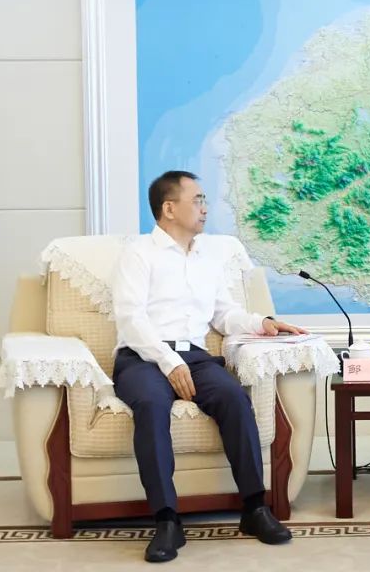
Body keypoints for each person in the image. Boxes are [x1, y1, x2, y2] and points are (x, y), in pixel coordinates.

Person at [112, 170, 306, 562]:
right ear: (169, 208)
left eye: (204, 200)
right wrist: (168, 362)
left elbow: (223, 314)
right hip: (143, 357)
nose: (205, 207)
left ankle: (254, 508)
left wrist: (262, 323)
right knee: (151, 405)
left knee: (234, 397)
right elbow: (131, 320)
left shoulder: (207, 259)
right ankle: (167, 520)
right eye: (197, 199)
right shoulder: (139, 254)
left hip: (195, 358)